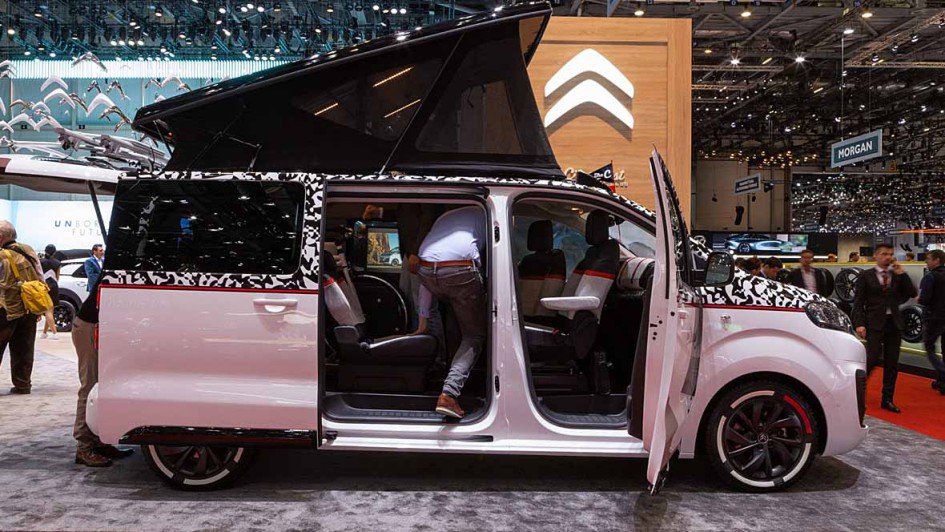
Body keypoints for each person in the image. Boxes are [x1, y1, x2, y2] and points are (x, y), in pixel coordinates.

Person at [412, 206, 487, 419]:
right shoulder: (487, 213)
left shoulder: (446, 216)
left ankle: (446, 371)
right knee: (474, 336)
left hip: (425, 268)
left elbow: (429, 275)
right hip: (459, 269)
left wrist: (422, 322)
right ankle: (449, 394)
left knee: (457, 314)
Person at [72, 276, 135, 466]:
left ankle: (98, 442)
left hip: (97, 326)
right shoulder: (118, 267)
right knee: (90, 387)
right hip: (90, 327)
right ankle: (84, 447)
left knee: (101, 386)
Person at [852, 243, 918, 413]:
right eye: (884, 254)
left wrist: (902, 273)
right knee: (872, 359)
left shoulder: (897, 275)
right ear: (876, 256)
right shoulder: (865, 276)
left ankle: (887, 399)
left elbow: (911, 292)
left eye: (890, 254)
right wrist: (859, 323)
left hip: (894, 323)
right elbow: (858, 302)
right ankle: (856, 394)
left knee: (892, 363)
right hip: (874, 323)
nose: (887, 257)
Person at [0, 220, 43, 394]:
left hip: (6, 309)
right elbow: (40, 277)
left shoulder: (2, 256)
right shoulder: (28, 250)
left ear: (1, 237)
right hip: (29, 307)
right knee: (24, 348)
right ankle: (23, 384)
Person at [919, 249, 945, 395]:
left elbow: (924, 299)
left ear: (937, 260)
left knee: (929, 347)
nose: (926, 262)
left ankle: (943, 373)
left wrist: (919, 299)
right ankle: (942, 383)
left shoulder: (930, 277)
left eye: (928, 259)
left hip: (934, 317)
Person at [40, 244, 60, 340]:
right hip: (54, 286)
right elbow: (57, 277)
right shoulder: (57, 263)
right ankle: (44, 333)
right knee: (50, 310)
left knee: (48, 311)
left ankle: (54, 333)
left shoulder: (41, 262)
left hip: (44, 286)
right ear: (54, 252)